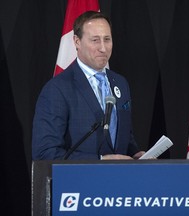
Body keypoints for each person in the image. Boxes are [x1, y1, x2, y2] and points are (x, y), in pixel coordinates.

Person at [32, 11, 145, 160]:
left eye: (107, 39)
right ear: (77, 42)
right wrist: (100, 160)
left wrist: (135, 154)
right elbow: (45, 153)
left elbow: (123, 138)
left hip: (120, 180)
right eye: (95, 40)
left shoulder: (121, 83)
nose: (103, 48)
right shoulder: (57, 89)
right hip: (80, 181)